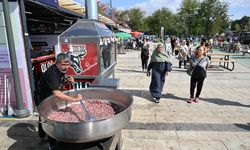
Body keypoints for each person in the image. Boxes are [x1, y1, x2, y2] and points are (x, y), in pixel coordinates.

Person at [37, 53, 82, 145]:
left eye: (67, 64)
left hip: (50, 94)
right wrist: (74, 99)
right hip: (42, 96)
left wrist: (67, 82)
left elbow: (58, 86)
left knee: (47, 117)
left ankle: (44, 138)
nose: (65, 67)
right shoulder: (51, 73)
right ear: (56, 63)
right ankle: (50, 142)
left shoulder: (60, 71)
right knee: (46, 118)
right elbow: (57, 93)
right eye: (63, 64)